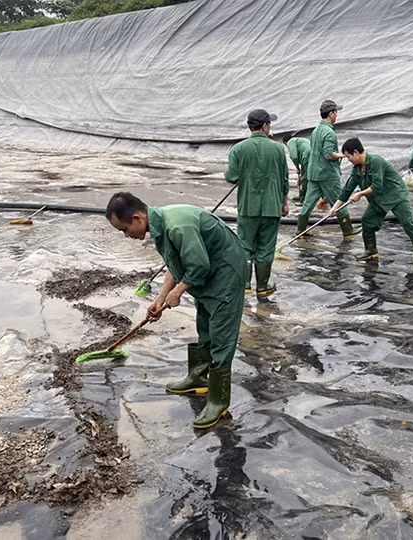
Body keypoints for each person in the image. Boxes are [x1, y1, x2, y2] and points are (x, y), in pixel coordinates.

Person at [105, 192, 246, 429]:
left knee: (221, 336)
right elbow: (175, 264)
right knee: (205, 326)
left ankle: (218, 401)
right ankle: (198, 377)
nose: (127, 236)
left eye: (124, 230)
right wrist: (160, 299)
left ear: (138, 218)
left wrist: (178, 292)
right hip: (209, 275)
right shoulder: (160, 226)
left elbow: (199, 266)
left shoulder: (177, 226)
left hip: (226, 274)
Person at [329, 138, 413, 266]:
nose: (348, 160)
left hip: (396, 195)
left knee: (408, 224)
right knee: (367, 220)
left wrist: (360, 194)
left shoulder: (375, 161)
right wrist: (335, 208)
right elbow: (347, 190)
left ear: (356, 152)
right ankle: (370, 250)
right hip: (378, 200)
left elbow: (377, 186)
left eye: (348, 157)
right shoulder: (357, 169)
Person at [225, 109, 289, 298]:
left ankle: (244, 286)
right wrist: (285, 204)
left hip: (247, 207)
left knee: (245, 246)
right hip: (272, 207)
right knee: (266, 247)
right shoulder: (278, 149)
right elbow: (285, 180)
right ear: (265, 126)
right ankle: (262, 287)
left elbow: (231, 176)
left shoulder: (238, 149)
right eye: (269, 124)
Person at [297, 99, 360, 239]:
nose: (337, 115)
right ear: (331, 113)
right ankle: (348, 230)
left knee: (308, 202)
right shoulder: (329, 133)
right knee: (338, 199)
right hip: (327, 174)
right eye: (336, 112)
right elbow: (328, 154)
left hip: (314, 173)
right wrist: (344, 154)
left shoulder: (316, 131)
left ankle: (300, 230)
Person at [282, 133, 311, 204]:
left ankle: (303, 199)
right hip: (315, 157)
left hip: (307, 156)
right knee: (309, 177)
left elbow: (294, 156)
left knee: (305, 179)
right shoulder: (302, 140)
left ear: (285, 142)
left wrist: (297, 167)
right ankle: (304, 196)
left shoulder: (290, 142)